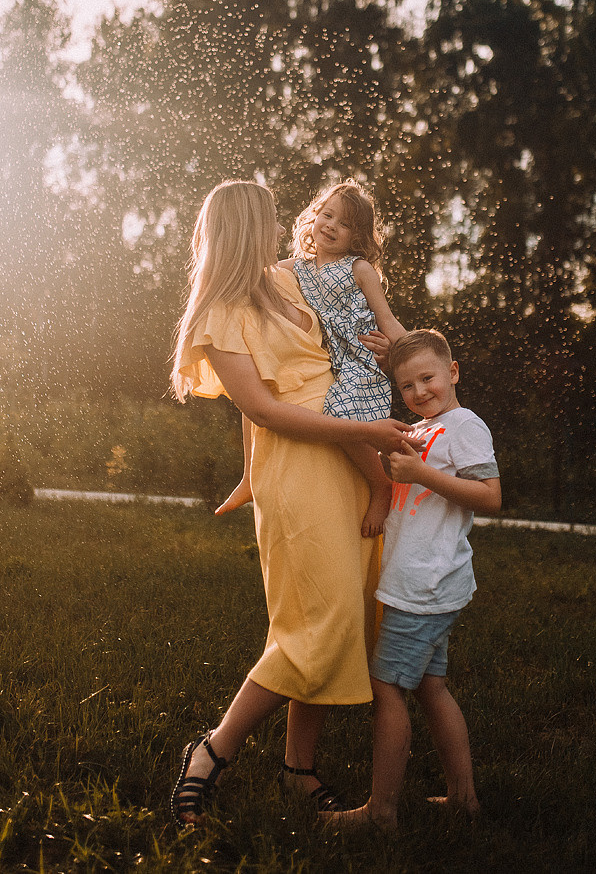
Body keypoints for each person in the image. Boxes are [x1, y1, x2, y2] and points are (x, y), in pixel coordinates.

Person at [168, 180, 412, 828]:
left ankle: (298, 769)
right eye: (270, 219)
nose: (287, 228)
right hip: (302, 466)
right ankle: (213, 750)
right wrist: (364, 436)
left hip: (349, 464)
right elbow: (263, 410)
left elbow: (345, 340)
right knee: (319, 622)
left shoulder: (288, 282)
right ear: (245, 227)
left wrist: (386, 347)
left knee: (344, 620)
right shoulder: (218, 314)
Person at [326, 328, 502, 831]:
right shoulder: (429, 427)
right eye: (407, 386)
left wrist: (420, 475)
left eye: (428, 378)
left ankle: (380, 813)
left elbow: (489, 496)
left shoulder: (464, 425)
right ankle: (465, 800)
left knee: (387, 690)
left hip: (423, 585)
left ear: (453, 373)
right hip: (428, 581)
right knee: (431, 686)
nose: (420, 391)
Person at [216, 179, 406, 536]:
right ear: (313, 217)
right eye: (327, 214)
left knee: (340, 412)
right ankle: (247, 475)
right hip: (327, 360)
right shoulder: (296, 269)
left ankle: (381, 484)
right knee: (260, 380)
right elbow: (252, 271)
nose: (332, 225)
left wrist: (406, 354)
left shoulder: (359, 269)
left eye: (345, 223)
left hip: (358, 360)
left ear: (358, 236)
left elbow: (388, 320)